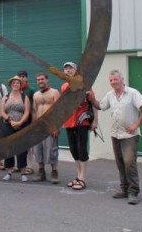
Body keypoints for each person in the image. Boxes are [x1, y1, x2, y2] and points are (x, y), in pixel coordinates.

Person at [88, 69, 142, 205]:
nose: (113, 82)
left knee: (129, 163)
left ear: (122, 80)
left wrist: (136, 124)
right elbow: (100, 106)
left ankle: (133, 192)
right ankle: (124, 189)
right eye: (111, 80)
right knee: (120, 163)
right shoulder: (110, 95)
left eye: (115, 79)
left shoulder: (132, 93)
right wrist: (92, 98)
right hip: (115, 134)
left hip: (129, 135)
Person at [60, 62, 98, 190]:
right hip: (69, 121)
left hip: (82, 121)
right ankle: (78, 175)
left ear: (76, 71)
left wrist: (95, 121)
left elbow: (93, 103)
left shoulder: (85, 84)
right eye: (66, 69)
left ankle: (82, 178)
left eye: (70, 68)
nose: (68, 71)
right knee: (73, 149)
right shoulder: (64, 86)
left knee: (82, 149)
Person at [0, 75, 31, 182]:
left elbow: (27, 112)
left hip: (21, 125)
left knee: (22, 148)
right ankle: (9, 171)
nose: (15, 84)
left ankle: (23, 172)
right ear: (10, 85)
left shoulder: (24, 97)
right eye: (13, 83)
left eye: (17, 83)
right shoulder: (6, 97)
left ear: (20, 85)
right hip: (8, 124)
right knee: (8, 147)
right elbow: (2, 112)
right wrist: (10, 121)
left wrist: (20, 122)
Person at [31, 72, 61, 183]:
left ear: (47, 80)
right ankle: (41, 171)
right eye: (38, 79)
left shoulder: (55, 92)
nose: (40, 81)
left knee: (52, 150)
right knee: (38, 151)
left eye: (42, 79)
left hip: (50, 126)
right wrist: (33, 127)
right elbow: (34, 112)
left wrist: (56, 126)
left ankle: (54, 172)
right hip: (39, 127)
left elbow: (59, 111)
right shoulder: (36, 95)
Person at [17, 69, 36, 176]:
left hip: (28, 121)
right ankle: (20, 165)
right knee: (18, 144)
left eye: (23, 76)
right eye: (20, 76)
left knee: (29, 145)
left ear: (26, 78)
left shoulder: (31, 90)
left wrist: (33, 122)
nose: (21, 78)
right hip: (17, 121)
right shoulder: (15, 90)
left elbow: (34, 108)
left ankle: (29, 166)